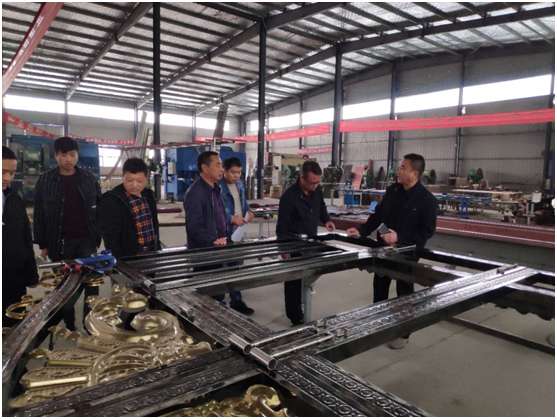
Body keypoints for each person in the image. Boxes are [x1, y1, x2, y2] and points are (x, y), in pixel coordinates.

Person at [347, 153, 437, 349]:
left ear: (414, 173)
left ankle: (403, 333)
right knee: (380, 286)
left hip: (407, 254)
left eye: (403, 167)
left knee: (404, 293)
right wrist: (362, 230)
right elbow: (378, 215)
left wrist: (400, 237)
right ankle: (378, 325)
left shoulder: (427, 200)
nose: (399, 170)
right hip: (383, 250)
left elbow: (427, 231)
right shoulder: (393, 191)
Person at [276, 160, 336, 326]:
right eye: (312, 183)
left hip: (311, 241)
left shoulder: (316, 191)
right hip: (294, 244)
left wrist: (327, 220)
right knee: (293, 280)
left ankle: (304, 302)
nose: (315, 186)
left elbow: (321, 207)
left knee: (308, 276)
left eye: (317, 183)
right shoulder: (289, 197)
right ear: (302, 178)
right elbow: (282, 226)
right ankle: (295, 316)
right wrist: (283, 248)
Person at [33, 137, 101, 262]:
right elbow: (39, 214)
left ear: (77, 155)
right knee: (61, 273)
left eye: (72, 155)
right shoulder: (45, 180)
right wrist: (43, 244)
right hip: (58, 242)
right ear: (56, 156)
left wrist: (97, 238)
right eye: (63, 155)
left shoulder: (89, 178)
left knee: (87, 272)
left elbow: (99, 209)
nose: (68, 159)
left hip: (86, 241)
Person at [184, 151, 228, 303]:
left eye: (221, 165)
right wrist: (212, 240)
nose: (221, 169)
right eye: (218, 165)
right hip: (204, 254)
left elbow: (219, 217)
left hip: (218, 250)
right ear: (204, 168)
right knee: (206, 297)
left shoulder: (215, 189)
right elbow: (194, 227)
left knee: (218, 292)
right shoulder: (195, 193)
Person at [2, 146, 38, 327]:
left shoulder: (14, 200)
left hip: (15, 279)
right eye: (2, 172)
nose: (7, 178)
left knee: (16, 325)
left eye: (12, 173)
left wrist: (31, 273)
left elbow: (25, 238)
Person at [99, 158, 160, 258]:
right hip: (128, 256)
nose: (134, 185)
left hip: (151, 251)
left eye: (139, 181)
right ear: (122, 177)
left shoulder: (149, 196)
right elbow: (110, 237)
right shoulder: (112, 200)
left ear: (146, 179)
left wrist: (157, 247)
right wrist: (118, 259)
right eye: (129, 180)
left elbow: (154, 224)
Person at [219, 157, 255, 315]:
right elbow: (217, 211)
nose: (236, 176)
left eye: (239, 172)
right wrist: (231, 219)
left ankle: (236, 300)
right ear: (225, 171)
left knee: (237, 267)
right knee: (222, 267)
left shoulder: (239, 184)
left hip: (239, 230)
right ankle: (219, 301)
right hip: (225, 231)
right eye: (233, 172)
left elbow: (243, 203)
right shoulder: (218, 187)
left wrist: (249, 212)